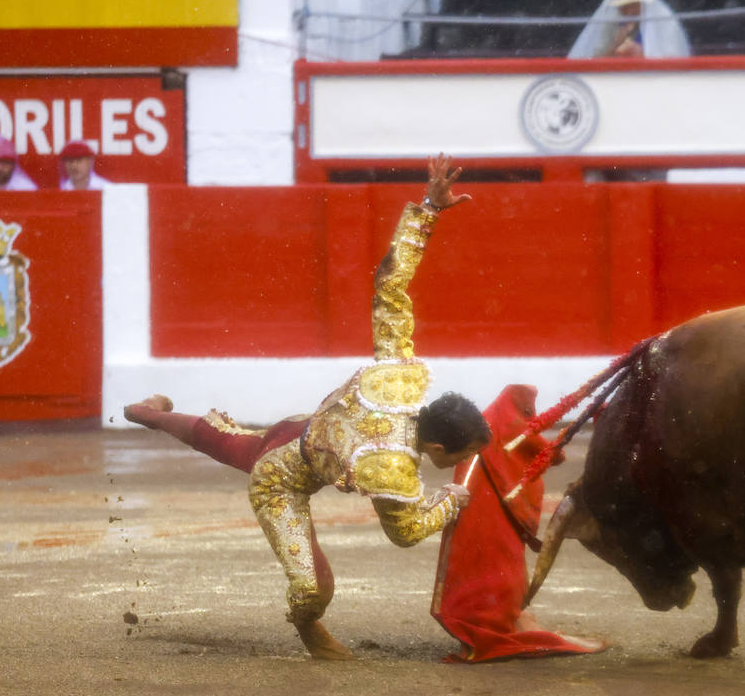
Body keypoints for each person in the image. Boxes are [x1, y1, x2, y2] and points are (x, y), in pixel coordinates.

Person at [124, 154, 491, 661]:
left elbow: (390, 286)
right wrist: (450, 501)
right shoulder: (390, 466)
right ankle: (308, 629)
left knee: (219, 440)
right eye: (460, 454)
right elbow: (405, 532)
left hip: (296, 430)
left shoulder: (398, 378)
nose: (460, 462)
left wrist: (428, 209)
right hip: (282, 478)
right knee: (313, 589)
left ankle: (144, 412)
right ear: (434, 446)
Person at [432, 384, 604, 663]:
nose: (530, 414)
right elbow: (549, 454)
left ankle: (481, 616)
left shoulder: (491, 423)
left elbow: (538, 451)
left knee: (484, 556)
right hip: (490, 506)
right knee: (499, 559)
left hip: (482, 505)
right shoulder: (503, 426)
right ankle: (495, 617)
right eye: (527, 410)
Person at [568, 0, 691, 59]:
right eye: (623, 7)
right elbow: (596, 62)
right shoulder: (611, 24)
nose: (629, 11)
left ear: (642, 3)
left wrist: (641, 53)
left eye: (633, 5)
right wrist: (615, 45)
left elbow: (674, 64)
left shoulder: (663, 22)